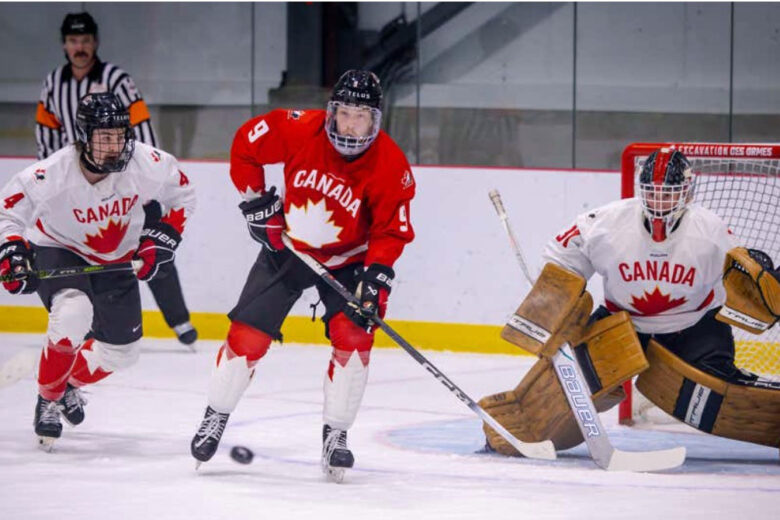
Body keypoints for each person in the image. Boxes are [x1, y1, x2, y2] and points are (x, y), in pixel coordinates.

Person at [190, 70, 416, 479]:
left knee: (354, 336)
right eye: (344, 113)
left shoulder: (390, 163)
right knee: (248, 334)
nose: (350, 125)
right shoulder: (298, 129)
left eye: (361, 117)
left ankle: (336, 435)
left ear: (375, 120)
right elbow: (245, 145)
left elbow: (390, 231)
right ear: (331, 111)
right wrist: (256, 203)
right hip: (289, 247)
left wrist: (375, 279)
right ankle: (215, 416)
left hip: (349, 260)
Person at [0, 92, 196, 449]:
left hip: (114, 257)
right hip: (60, 248)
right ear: (84, 137)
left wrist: (162, 238)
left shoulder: (147, 163)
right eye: (105, 137)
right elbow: (8, 212)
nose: (115, 146)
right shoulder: (52, 173)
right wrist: (12, 252)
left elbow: (182, 194)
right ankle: (48, 398)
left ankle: (66, 385)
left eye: (120, 136)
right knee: (73, 312)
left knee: (122, 353)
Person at [34, 12, 197, 345]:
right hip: (79, 190)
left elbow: (142, 131)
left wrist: (145, 184)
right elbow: (47, 139)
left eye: (85, 40)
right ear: (64, 45)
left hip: (126, 185)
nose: (79, 47)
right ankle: (92, 325)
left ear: (95, 42)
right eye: (73, 41)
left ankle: (179, 320)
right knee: (87, 254)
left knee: (152, 248)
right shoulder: (53, 84)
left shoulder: (117, 79)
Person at [541, 148, 745, 379]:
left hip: (693, 326)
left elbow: (741, 277)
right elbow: (562, 254)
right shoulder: (609, 221)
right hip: (623, 324)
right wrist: (557, 294)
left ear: (686, 193)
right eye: (651, 193)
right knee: (570, 379)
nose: (658, 203)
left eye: (667, 195)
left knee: (716, 388)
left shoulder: (711, 229)